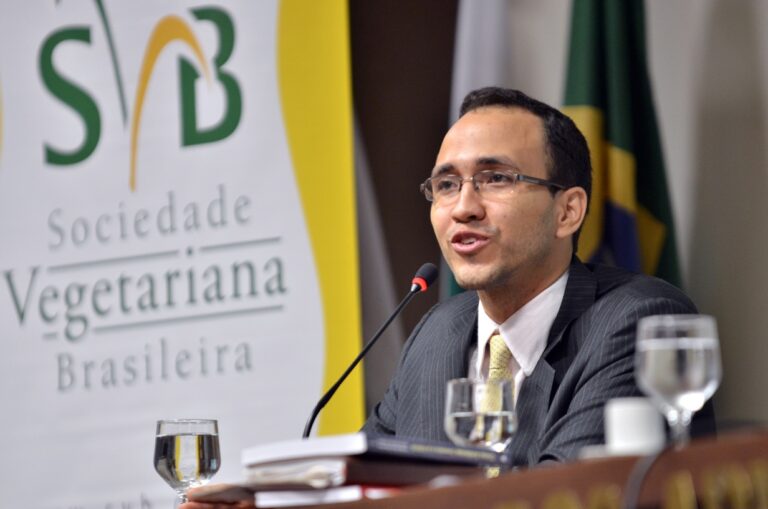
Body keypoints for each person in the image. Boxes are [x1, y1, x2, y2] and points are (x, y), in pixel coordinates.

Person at [183, 87, 714, 507]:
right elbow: (361, 489)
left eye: (495, 178)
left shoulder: (635, 322)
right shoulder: (437, 334)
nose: (464, 207)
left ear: (568, 211)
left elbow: (563, 496)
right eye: (446, 185)